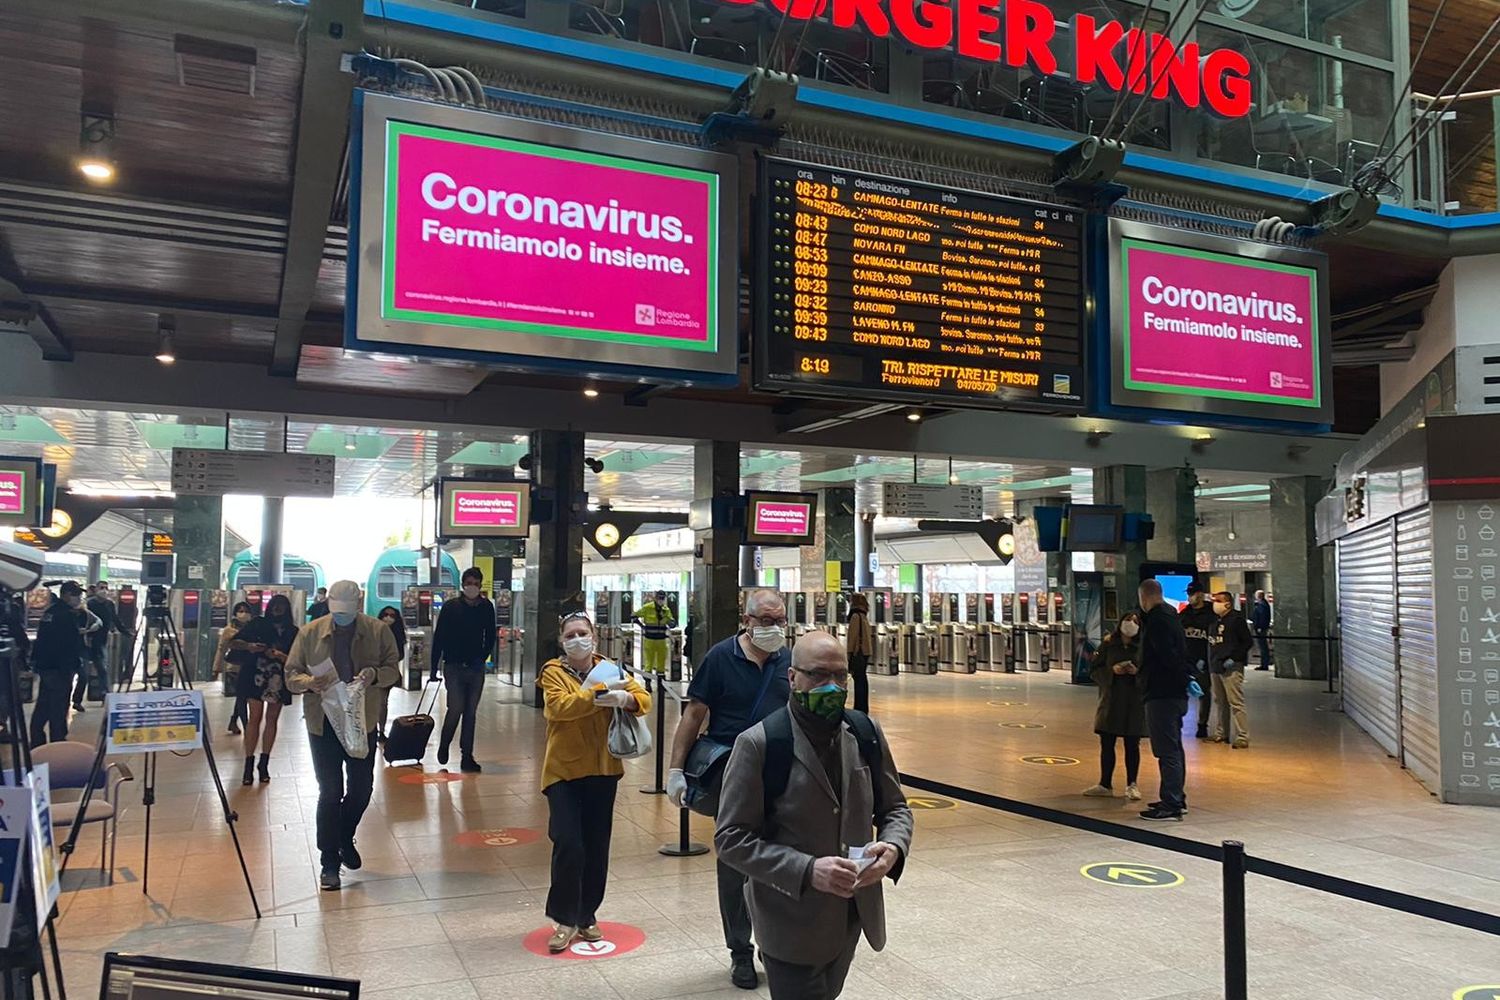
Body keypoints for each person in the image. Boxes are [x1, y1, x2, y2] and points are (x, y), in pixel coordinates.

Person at [715, 630, 913, 1000]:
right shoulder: (760, 744)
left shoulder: (865, 732)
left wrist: (892, 846)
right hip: (789, 921)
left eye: (840, 676)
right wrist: (807, 869)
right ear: (793, 678)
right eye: (819, 675)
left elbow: (895, 808)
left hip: (852, 915)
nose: (832, 686)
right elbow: (731, 839)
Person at [667, 589, 792, 990]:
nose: (774, 629)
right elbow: (694, 716)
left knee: (782, 863)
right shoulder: (721, 657)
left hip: (784, 776)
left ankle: (775, 948)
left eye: (780, 621)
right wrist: (675, 770)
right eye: (766, 621)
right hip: (731, 776)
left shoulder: (791, 660)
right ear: (747, 619)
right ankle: (740, 950)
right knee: (734, 865)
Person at [537, 611, 651, 952]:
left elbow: (643, 700)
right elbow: (559, 708)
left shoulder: (610, 667)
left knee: (596, 846)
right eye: (570, 635)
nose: (577, 640)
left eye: (582, 633)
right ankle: (564, 917)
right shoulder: (553, 672)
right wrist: (602, 693)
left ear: (594, 637)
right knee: (569, 843)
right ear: (561, 640)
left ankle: (586, 915)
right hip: (563, 772)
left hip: (604, 770)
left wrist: (626, 698)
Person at [286, 580, 400, 891]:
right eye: (337, 613)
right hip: (323, 722)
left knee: (362, 787)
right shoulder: (310, 633)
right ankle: (329, 862)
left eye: (348, 613)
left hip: (361, 720)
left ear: (359, 606)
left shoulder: (378, 631)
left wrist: (374, 675)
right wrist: (311, 681)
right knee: (329, 790)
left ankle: (342, 836)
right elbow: (290, 675)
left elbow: (394, 669)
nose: (342, 618)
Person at [1136, 579, 1192, 822]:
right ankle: (1176, 796)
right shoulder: (1171, 615)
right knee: (1175, 747)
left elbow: (1165, 655)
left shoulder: (1158, 621)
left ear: (1144, 596)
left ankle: (1171, 802)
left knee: (1167, 749)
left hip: (1162, 693)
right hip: (1175, 692)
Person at [430, 567, 496, 772]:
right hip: (454, 666)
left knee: (470, 712)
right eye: (469, 583)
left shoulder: (486, 607)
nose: (472, 587)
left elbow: (491, 633)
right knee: (456, 707)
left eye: (476, 583)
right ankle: (445, 742)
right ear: (463, 584)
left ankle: (467, 756)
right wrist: (434, 667)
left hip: (476, 667)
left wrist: (483, 655)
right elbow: (439, 636)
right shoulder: (451, 607)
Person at [231, 594, 298, 785]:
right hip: (255, 675)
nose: (277, 609)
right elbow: (234, 642)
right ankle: (249, 762)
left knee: (272, 720)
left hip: (277, 678)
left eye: (281, 606)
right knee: (255, 718)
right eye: (275, 605)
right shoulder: (258, 623)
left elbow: (297, 658)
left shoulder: (293, 632)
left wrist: (281, 656)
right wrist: (251, 646)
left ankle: (264, 762)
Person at [1082, 611, 1148, 801]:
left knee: (1131, 744)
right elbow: (1094, 669)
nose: (1131, 624)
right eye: (1128, 620)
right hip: (1111, 700)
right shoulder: (1109, 644)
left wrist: (1137, 672)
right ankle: (1105, 783)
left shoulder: (1143, 646)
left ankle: (1132, 784)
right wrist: (1112, 671)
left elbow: (1150, 672)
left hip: (1134, 702)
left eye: (1135, 621)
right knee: (1107, 743)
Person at [29, 581, 89, 745]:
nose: (79, 598)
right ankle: (58, 742)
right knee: (58, 706)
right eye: (77, 595)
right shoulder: (66, 615)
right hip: (60, 669)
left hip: (46, 667)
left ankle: (36, 741)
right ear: (67, 595)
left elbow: (42, 641)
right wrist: (71, 667)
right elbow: (67, 645)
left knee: (43, 705)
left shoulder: (50, 613)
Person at [1209, 592, 1252, 748]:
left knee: (1235, 702)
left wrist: (1234, 658)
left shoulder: (1236, 620)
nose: (1215, 604)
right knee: (1220, 701)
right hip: (1216, 665)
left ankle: (1242, 735)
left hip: (1231, 666)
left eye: (1218, 601)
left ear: (1227, 603)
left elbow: (1247, 642)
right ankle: (1221, 732)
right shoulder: (1215, 621)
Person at [78, 582, 128, 711]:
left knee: (102, 669)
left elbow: (115, 619)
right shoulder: (89, 604)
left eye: (106, 588)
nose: (104, 590)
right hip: (86, 641)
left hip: (101, 641)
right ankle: (77, 700)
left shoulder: (109, 604)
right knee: (83, 672)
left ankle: (105, 695)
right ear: (95, 590)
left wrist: (125, 632)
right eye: (101, 588)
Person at [1177, 583, 1216, 740]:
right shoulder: (1184, 614)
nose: (1190, 597)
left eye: (1192, 593)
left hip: (1203, 660)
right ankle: (1178, 721)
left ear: (1200, 595)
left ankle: (1202, 725)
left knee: (1204, 693)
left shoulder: (1211, 615)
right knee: (1180, 693)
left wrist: (1207, 660)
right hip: (1185, 660)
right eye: (1189, 594)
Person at [214, 601, 255, 736]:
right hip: (235, 668)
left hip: (250, 666)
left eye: (246, 611)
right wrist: (216, 668)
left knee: (242, 696)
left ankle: (233, 721)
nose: (243, 614)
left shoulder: (253, 628)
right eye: (240, 611)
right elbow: (221, 649)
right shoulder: (229, 630)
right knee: (242, 697)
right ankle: (246, 725)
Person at [0, 594, 31, 743]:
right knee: (6, 692)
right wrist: (24, 648)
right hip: (6, 659)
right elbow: (17, 630)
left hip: (7, 655)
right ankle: (2, 727)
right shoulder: (11, 607)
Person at [375, 606, 407, 741]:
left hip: (386, 674)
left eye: (392, 616)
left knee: (382, 703)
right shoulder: (373, 632)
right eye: (386, 614)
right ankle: (373, 730)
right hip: (372, 672)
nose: (388, 618)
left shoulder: (397, 635)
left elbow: (400, 655)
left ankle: (380, 731)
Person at [844, 594, 873, 714]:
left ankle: (860, 706)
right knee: (862, 679)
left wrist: (849, 653)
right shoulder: (864, 615)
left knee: (859, 679)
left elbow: (853, 637)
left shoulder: (855, 616)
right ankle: (863, 706)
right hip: (865, 652)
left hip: (857, 652)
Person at [633, 590, 674, 675]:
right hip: (649, 639)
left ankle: (660, 684)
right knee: (649, 662)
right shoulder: (647, 607)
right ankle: (648, 683)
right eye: (659, 598)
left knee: (661, 661)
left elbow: (672, 623)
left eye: (662, 598)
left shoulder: (666, 610)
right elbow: (634, 616)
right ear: (655, 598)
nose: (661, 600)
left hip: (661, 640)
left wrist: (669, 622)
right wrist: (642, 627)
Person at [1251, 590, 1273, 671]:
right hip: (1262, 627)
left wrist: (1259, 627)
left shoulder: (1261, 605)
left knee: (1263, 646)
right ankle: (1264, 663)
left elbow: (1261, 617)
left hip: (1261, 628)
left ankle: (1264, 664)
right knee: (1263, 646)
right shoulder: (1263, 604)